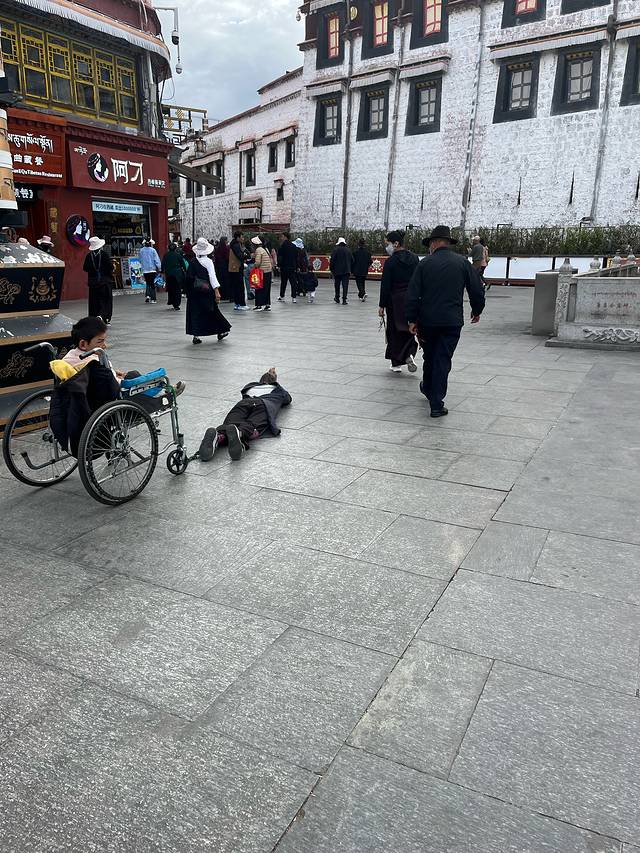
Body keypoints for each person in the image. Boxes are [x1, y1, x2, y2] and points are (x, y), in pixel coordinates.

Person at [406, 225, 485, 418]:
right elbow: (476, 289)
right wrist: (477, 310)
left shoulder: (424, 264)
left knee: (430, 355)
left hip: (427, 321)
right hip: (451, 321)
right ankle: (436, 402)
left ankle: (429, 389)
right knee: (442, 358)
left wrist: (411, 319)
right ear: (448, 243)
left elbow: (413, 294)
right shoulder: (462, 263)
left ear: (434, 243)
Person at [197, 367, 292, 462]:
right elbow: (288, 399)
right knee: (253, 424)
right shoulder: (278, 390)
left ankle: (218, 436)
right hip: (262, 403)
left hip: (244, 403)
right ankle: (240, 433)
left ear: (260, 381)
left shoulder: (250, 387)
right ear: (273, 382)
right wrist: (276, 383)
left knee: (231, 422)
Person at [379, 230, 419, 374]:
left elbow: (386, 285)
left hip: (394, 300)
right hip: (411, 298)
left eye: (388, 244)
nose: (387, 247)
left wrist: (382, 305)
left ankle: (396, 363)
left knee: (395, 330)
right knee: (410, 327)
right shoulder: (414, 258)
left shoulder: (391, 262)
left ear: (396, 243)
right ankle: (409, 353)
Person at [185, 237, 232, 345]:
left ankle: (196, 335)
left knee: (195, 313)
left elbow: (188, 278)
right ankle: (221, 330)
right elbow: (212, 277)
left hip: (194, 292)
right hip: (206, 291)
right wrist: (217, 291)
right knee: (213, 311)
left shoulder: (192, 262)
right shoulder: (208, 262)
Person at [83, 236, 114, 324]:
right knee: (106, 300)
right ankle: (103, 316)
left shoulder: (89, 256)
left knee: (94, 301)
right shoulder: (104, 254)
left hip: (93, 282)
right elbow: (110, 267)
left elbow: (85, 268)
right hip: (104, 281)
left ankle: (94, 316)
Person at [161, 243, 187, 311]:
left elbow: (163, 264)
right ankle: (177, 304)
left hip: (169, 274)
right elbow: (183, 264)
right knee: (177, 289)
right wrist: (185, 271)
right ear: (175, 248)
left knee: (171, 288)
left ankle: (172, 301)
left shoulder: (166, 255)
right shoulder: (178, 255)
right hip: (178, 274)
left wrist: (162, 271)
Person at [251, 236, 273, 312]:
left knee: (258, 288)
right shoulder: (265, 249)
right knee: (267, 288)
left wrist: (253, 266)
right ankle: (267, 305)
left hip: (261, 272)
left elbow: (258, 262)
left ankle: (259, 305)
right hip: (268, 271)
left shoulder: (258, 250)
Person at [229, 232, 249, 311]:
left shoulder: (233, 244)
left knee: (237, 286)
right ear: (237, 238)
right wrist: (246, 255)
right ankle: (241, 304)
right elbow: (240, 256)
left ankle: (237, 304)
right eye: (242, 237)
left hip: (234, 268)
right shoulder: (236, 245)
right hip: (237, 268)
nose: (243, 239)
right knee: (240, 287)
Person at [330, 237, 352, 305]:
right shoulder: (348, 250)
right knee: (345, 285)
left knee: (337, 285)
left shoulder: (335, 250)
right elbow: (352, 260)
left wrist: (331, 269)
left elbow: (332, 261)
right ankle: (344, 300)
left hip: (337, 271)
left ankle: (337, 298)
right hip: (346, 271)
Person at [277, 232, 298, 302]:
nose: (281, 238)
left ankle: (282, 296)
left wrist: (279, 265)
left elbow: (280, 257)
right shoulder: (294, 246)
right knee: (293, 283)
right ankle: (294, 297)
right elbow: (296, 257)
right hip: (292, 267)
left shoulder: (282, 246)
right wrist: (296, 266)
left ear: (285, 237)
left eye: (282, 236)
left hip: (284, 266)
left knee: (283, 282)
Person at [139, 239, 161, 304]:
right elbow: (156, 260)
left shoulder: (141, 250)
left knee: (148, 283)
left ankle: (148, 295)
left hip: (145, 270)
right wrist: (159, 268)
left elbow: (140, 260)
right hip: (152, 270)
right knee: (152, 284)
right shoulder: (153, 250)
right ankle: (153, 298)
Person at [214, 236, 230, 301]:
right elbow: (227, 257)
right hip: (225, 266)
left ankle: (221, 294)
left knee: (220, 281)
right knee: (226, 281)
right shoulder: (226, 248)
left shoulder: (217, 248)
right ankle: (226, 295)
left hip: (219, 267)